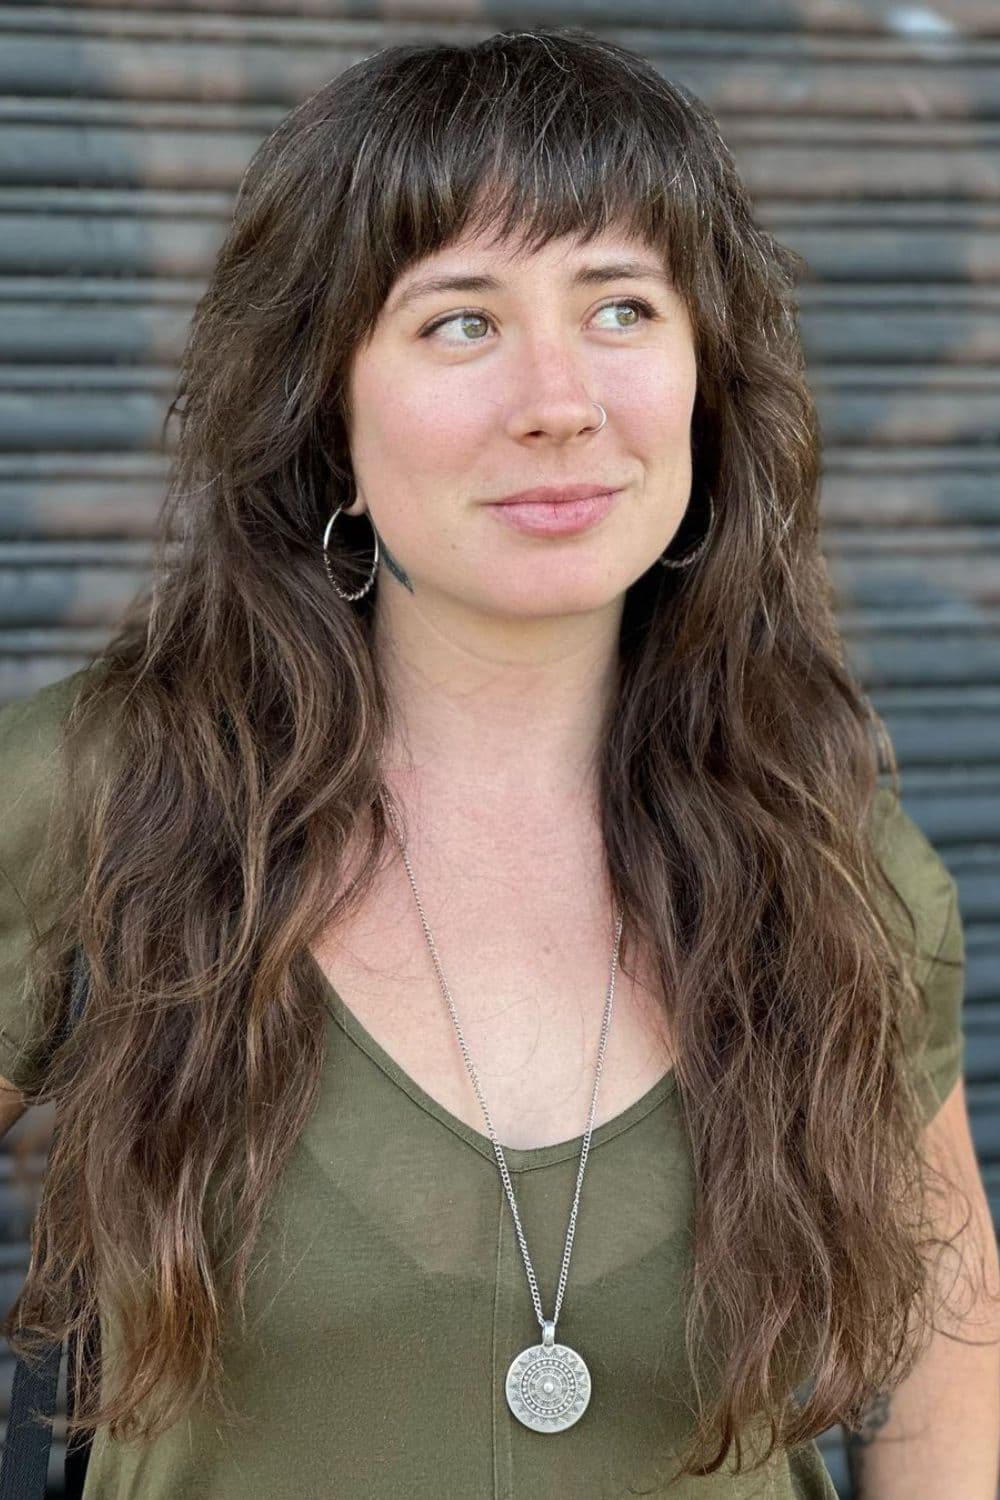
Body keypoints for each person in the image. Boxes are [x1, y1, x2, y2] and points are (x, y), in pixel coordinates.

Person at [0, 25, 997, 1500]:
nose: (558, 398)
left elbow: (945, 1374)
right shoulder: (98, 794)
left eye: (619, 307)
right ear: (326, 409)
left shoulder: (833, 858)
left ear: (705, 380)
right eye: (460, 321)